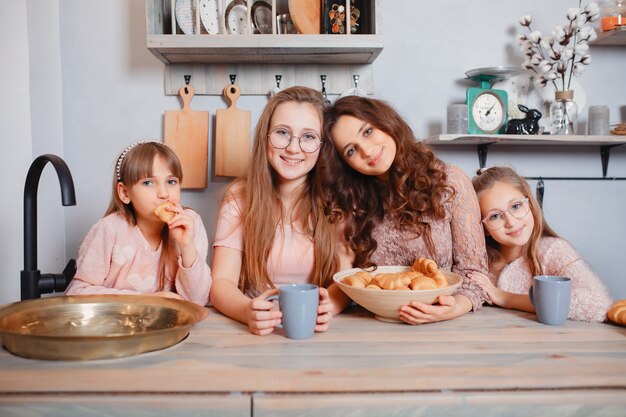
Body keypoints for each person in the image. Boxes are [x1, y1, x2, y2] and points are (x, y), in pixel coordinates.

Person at [317, 95, 490, 325]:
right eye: (351, 150)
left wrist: (452, 308)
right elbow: (348, 279)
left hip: (445, 325)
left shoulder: (449, 182)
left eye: (367, 132)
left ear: (385, 122)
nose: (367, 151)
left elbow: (474, 274)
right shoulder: (351, 201)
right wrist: (322, 307)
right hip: (371, 325)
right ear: (345, 164)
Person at [210, 86, 352, 336]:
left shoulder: (337, 199)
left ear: (323, 146)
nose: (293, 148)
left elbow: (345, 279)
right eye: (282, 133)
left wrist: (329, 307)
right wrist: (247, 311)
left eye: (308, 136)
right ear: (265, 137)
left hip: (317, 332)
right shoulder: (239, 196)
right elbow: (221, 283)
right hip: (255, 333)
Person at [65, 141, 211, 306]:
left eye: (171, 182)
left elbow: (197, 302)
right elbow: (76, 293)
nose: (164, 194)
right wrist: (147, 300)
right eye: (148, 183)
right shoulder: (109, 230)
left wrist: (187, 246)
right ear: (125, 192)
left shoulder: (191, 224)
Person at [470, 166, 612, 322]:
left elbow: (598, 304)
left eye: (516, 206)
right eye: (495, 216)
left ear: (530, 204)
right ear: (483, 227)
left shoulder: (553, 250)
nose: (511, 222)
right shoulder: (480, 262)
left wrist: (507, 298)